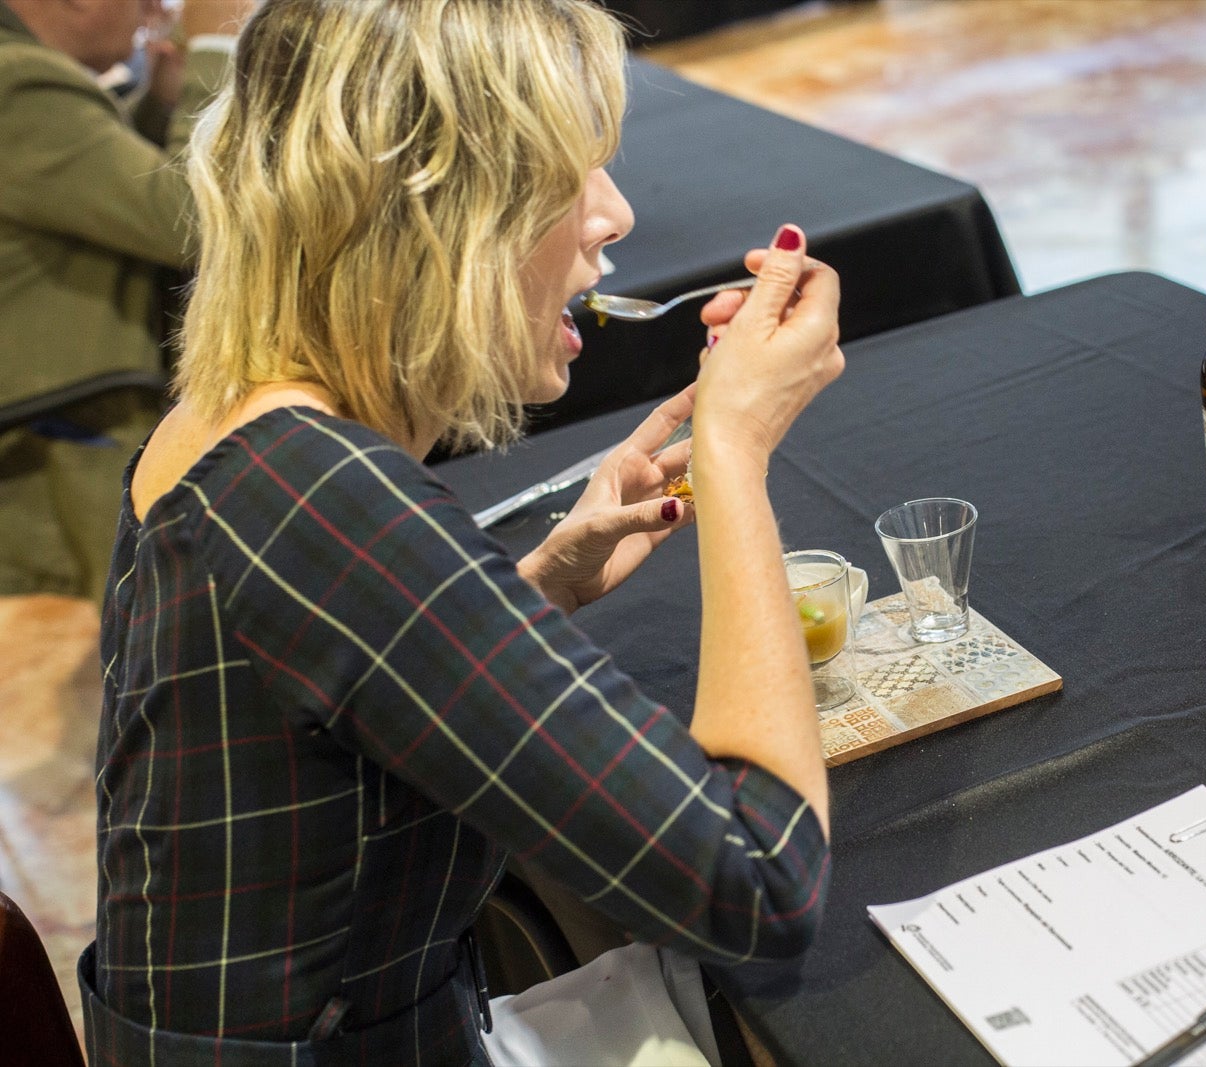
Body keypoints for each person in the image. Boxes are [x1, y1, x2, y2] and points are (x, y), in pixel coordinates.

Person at [79, 1, 843, 1065]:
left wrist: (535, 585)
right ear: (437, 209)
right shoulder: (324, 491)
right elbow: (759, 881)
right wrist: (736, 452)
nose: (614, 216)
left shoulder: (231, 422)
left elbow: (311, 709)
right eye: (567, 176)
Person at [0, 0, 254, 598]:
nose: (151, 12)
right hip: (59, 447)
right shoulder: (17, 83)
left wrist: (163, 106)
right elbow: (188, 217)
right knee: (102, 662)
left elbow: (87, 199)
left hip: (60, 439)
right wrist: (215, 51)